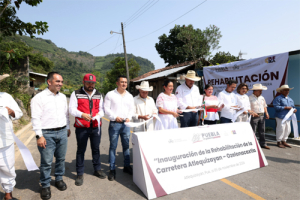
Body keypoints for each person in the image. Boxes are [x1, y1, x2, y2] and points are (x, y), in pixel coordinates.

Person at [31, 72, 71, 200]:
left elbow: (66, 115)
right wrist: (39, 136)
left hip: (62, 131)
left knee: (60, 159)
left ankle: (59, 179)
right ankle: (45, 185)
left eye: (61, 81)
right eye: (58, 81)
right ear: (49, 82)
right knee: (46, 162)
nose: (60, 84)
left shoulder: (63, 97)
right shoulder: (39, 98)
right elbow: (35, 118)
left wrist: (68, 128)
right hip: (47, 134)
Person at [69, 74, 105, 186]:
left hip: (95, 126)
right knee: (81, 150)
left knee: (96, 149)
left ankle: (97, 169)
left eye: (93, 83)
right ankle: (80, 173)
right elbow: (71, 109)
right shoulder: (76, 93)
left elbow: (102, 110)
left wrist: (98, 115)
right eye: (88, 83)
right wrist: (82, 114)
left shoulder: (99, 94)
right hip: (82, 127)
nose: (91, 85)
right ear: (83, 82)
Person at [104, 75, 134, 181]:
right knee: (113, 147)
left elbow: (132, 109)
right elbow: (106, 108)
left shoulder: (129, 96)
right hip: (114, 124)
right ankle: (112, 169)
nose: (124, 84)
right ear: (117, 83)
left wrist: (129, 118)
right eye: (122, 82)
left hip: (126, 124)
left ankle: (126, 166)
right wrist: (114, 117)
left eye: (125, 82)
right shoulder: (110, 94)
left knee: (126, 146)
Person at [0, 74, 23, 200]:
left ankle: (8, 194)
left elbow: (19, 113)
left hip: (5, 140)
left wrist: (11, 112)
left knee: (7, 167)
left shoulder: (6, 97)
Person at [249, 83, 270, 150]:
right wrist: (252, 113)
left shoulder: (262, 97)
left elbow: (264, 106)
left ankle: (263, 144)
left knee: (262, 131)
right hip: (254, 116)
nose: (261, 92)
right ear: (255, 91)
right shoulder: (249, 98)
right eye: (260, 91)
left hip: (261, 115)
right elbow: (248, 108)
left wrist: (266, 113)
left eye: (261, 91)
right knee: (253, 131)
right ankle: (253, 144)